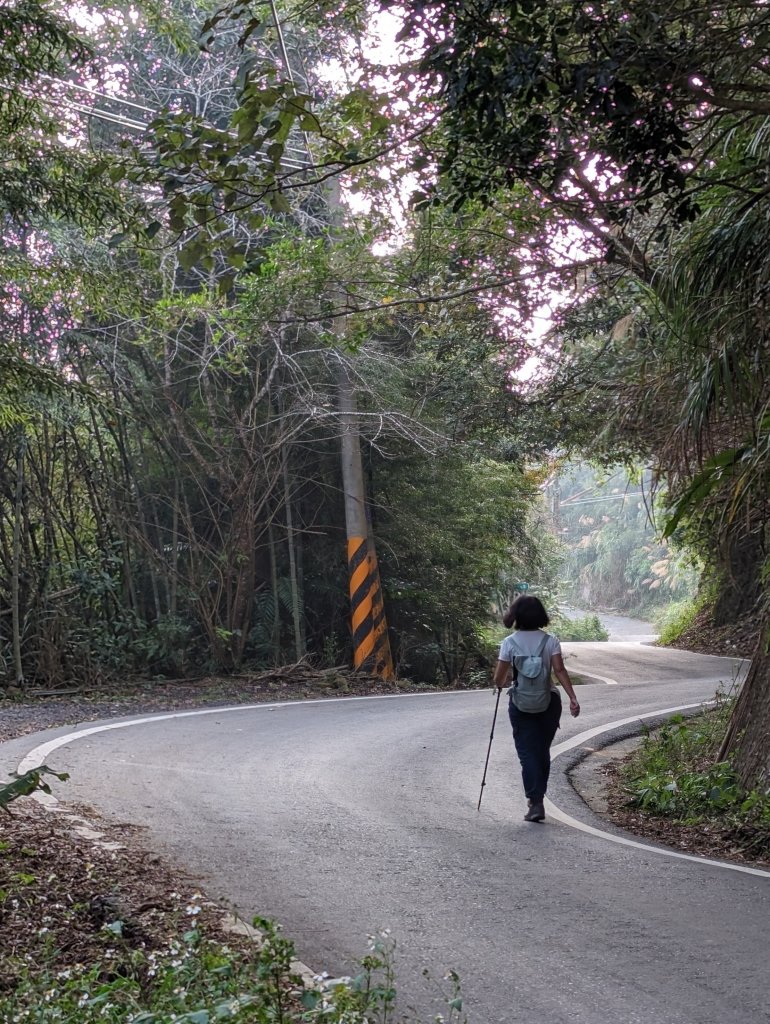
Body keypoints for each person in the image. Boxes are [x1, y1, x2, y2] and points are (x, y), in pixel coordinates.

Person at [493, 595, 580, 822]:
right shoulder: (550, 641)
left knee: (527, 753)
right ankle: (538, 797)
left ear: (516, 616)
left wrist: (508, 680)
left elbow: (498, 679)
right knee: (542, 751)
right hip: (549, 702)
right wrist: (573, 697)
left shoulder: (509, 643)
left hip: (521, 704)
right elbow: (560, 671)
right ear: (540, 615)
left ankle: (535, 802)